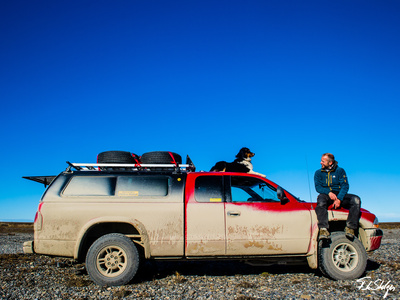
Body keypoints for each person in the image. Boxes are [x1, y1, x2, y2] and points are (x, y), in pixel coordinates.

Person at [314, 153, 361, 239]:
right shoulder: (318, 173)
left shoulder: (340, 171)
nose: (321, 163)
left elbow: (345, 185)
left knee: (356, 200)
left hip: (339, 194)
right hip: (326, 194)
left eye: (323, 161)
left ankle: (350, 228)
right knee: (320, 201)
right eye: (321, 161)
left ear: (330, 163)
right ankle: (323, 229)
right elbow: (318, 187)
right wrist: (329, 193)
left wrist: (339, 198)